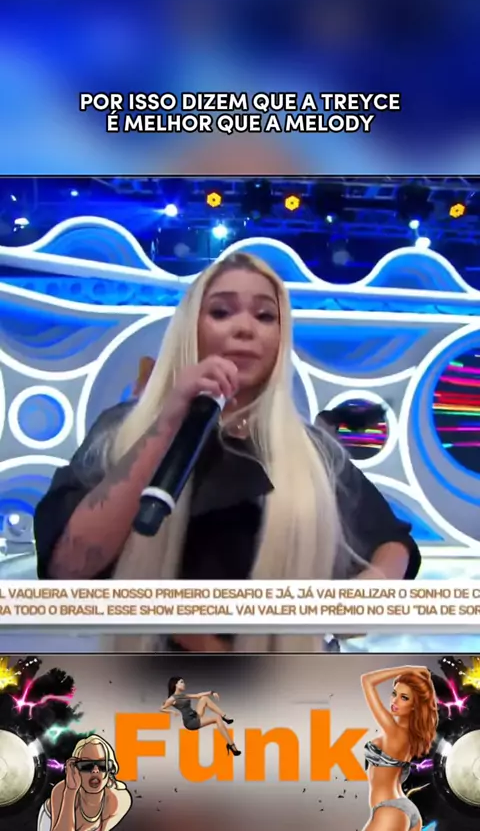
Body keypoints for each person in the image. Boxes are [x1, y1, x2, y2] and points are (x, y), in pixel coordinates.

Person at [34, 251, 421, 653]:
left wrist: (367, 593)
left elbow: (392, 540)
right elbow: (67, 567)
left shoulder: (312, 452)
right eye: (221, 312)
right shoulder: (123, 431)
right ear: (191, 328)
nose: (244, 329)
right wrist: (168, 424)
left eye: (265, 316)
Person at [361, 666, 438, 830]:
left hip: (390, 811)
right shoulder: (411, 735)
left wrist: (408, 669)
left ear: (414, 705)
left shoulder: (395, 732)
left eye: (404, 698)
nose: (394, 701)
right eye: (394, 693)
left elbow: (367, 680)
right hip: (402, 809)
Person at [37, 735, 132, 830]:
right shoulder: (61, 791)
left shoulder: (119, 800)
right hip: (51, 820)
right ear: (75, 768)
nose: (95, 771)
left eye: (102, 765)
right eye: (86, 766)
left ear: (110, 769)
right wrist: (70, 791)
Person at [161, 676, 241, 755]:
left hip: (195, 715)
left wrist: (212, 692)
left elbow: (198, 695)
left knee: (204, 698)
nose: (184, 684)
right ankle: (232, 746)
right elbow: (162, 708)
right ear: (175, 684)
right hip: (190, 722)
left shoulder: (182, 695)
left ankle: (224, 716)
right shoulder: (172, 698)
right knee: (217, 718)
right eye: (181, 682)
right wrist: (171, 711)